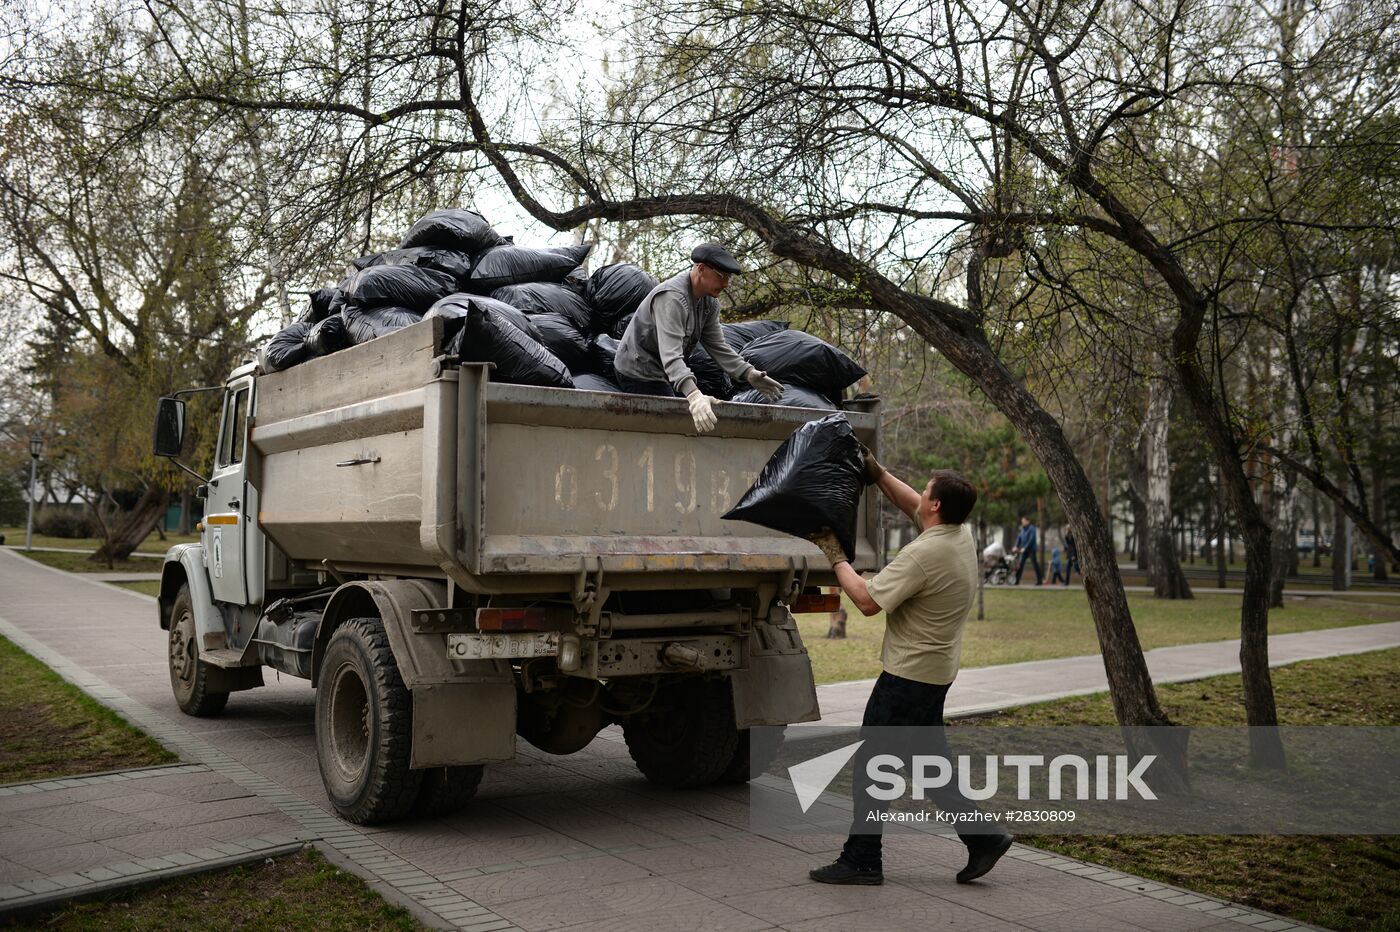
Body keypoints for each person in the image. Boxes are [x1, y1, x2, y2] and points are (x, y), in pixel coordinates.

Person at [805, 453, 1013, 887]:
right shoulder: (960, 534)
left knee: (872, 765)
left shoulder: (924, 554)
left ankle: (862, 859)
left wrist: (835, 554)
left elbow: (865, 601)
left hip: (907, 677)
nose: (920, 495)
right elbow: (910, 503)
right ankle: (983, 837)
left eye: (927, 490)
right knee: (928, 764)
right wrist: (877, 474)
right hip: (935, 673)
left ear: (935, 506)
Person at [613, 243, 784, 432]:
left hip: (663, 369)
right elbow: (672, 357)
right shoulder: (672, 299)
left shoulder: (709, 302)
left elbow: (718, 346)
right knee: (669, 426)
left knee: (681, 416)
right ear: (701, 269)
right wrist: (694, 396)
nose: (726, 284)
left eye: (728, 278)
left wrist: (748, 373)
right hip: (637, 369)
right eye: (722, 276)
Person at [1012, 515, 1043, 585]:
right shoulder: (1022, 529)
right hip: (1024, 550)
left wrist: (1025, 548)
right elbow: (1019, 538)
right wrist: (1016, 546)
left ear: (1028, 521)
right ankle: (1016, 581)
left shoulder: (1032, 528)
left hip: (1031, 550)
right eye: (1022, 522)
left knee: (1035, 565)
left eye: (1024, 521)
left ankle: (1039, 581)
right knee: (1020, 565)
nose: (1022, 523)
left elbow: (1031, 540)